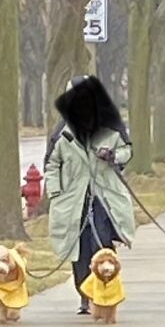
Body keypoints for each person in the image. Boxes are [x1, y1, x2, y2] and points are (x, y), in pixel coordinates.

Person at [44, 75, 136, 314]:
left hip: (104, 198)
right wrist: (55, 191)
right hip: (74, 200)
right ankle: (85, 294)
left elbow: (127, 150)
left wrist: (113, 156)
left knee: (102, 246)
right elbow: (52, 165)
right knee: (80, 251)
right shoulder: (61, 134)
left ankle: (106, 293)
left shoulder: (111, 127)